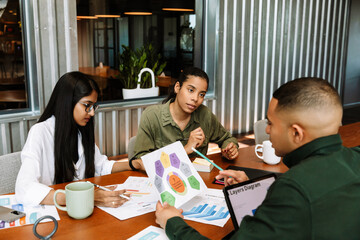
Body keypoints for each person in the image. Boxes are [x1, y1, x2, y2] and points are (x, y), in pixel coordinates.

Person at [155, 77, 360, 239]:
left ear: (296, 133)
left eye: (270, 123)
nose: (267, 130)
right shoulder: (354, 157)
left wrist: (172, 221)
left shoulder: (293, 190)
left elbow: (299, 195)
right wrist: (252, 185)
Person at [15, 72, 142, 207]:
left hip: (82, 211)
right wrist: (86, 197)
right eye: (87, 105)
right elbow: (24, 188)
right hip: (56, 212)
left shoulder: (81, 131)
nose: (92, 112)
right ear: (68, 102)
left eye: (94, 106)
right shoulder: (40, 132)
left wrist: (135, 164)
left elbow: (101, 165)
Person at [129, 67, 239, 171]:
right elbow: (140, 160)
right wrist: (185, 150)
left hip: (197, 182)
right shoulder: (152, 116)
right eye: (191, 90)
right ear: (177, 87)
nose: (195, 99)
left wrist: (229, 149)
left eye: (201, 94)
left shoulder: (205, 115)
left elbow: (227, 138)